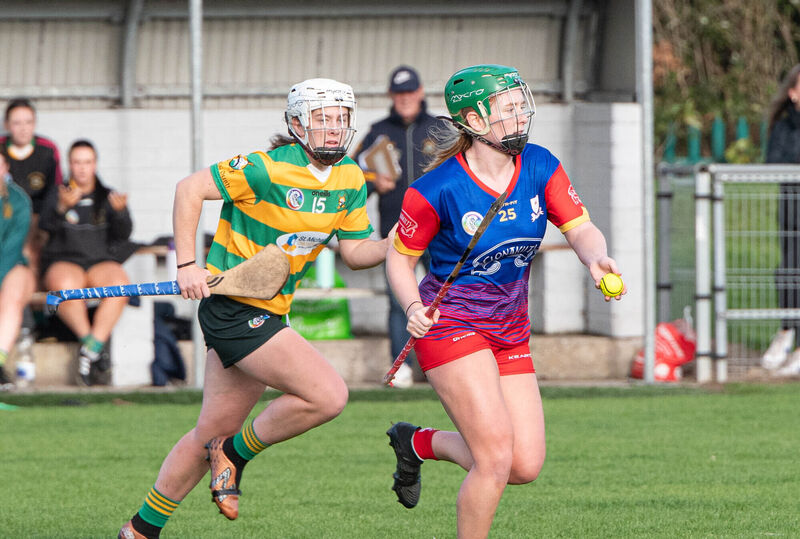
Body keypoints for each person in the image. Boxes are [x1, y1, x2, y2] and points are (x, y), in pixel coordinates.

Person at [118, 78, 393, 539]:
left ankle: (139, 530)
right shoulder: (265, 168)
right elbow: (189, 190)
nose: (334, 129)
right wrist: (187, 264)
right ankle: (236, 454)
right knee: (328, 395)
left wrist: (397, 242)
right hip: (232, 309)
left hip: (269, 310)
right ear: (297, 123)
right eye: (323, 119)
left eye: (341, 119)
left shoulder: (350, 179)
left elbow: (355, 252)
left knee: (209, 434)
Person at [385, 64, 626, 539]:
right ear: (473, 121)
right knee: (494, 459)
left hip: (509, 328)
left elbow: (580, 227)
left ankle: (417, 443)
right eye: (507, 110)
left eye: (521, 107)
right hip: (450, 326)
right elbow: (398, 261)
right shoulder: (434, 190)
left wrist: (596, 257)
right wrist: (413, 308)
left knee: (523, 465)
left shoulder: (539, 164)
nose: (520, 118)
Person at [353, 65, 442, 387]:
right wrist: (377, 182)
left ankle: (444, 363)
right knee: (398, 302)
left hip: (442, 232)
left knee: (446, 297)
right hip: (397, 232)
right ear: (392, 96)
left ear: (420, 92)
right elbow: (351, 182)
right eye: (398, 93)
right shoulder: (378, 132)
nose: (405, 99)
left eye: (410, 92)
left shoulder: (441, 129)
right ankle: (400, 367)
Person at [39, 140, 136, 386]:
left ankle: (89, 351)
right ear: (70, 164)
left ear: (95, 164)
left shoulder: (107, 195)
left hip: (99, 262)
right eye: (77, 162)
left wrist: (122, 213)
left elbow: (123, 235)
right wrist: (62, 208)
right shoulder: (57, 193)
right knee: (66, 288)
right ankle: (94, 347)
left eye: (87, 162)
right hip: (64, 261)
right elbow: (44, 228)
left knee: (120, 286)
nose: (82, 168)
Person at [763, 63, 800, 371]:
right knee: (788, 271)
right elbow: (774, 160)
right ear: (793, 93)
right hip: (792, 212)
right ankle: (787, 332)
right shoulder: (784, 126)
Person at [1, 98, 63, 277]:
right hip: (6, 214)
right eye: (17, 122)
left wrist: (42, 222)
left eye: (28, 122)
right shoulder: (1, 148)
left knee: (32, 251)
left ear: (35, 123)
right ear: (7, 124)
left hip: (37, 217)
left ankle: (32, 301)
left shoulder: (47, 150)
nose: (23, 128)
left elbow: (55, 190)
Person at [0, 152, 36, 390]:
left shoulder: (18, 200)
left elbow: (11, 249)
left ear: (6, 167)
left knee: (12, 295)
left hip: (11, 267)